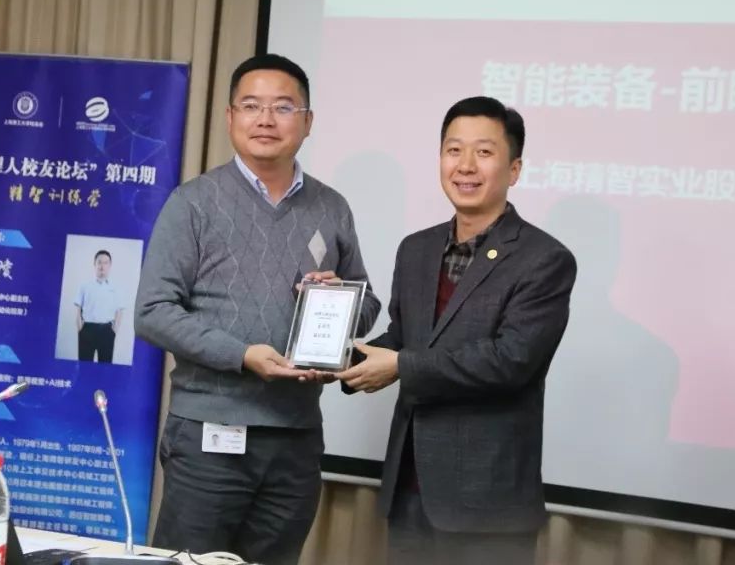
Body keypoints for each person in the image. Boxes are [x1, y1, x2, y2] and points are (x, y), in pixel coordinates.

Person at [135, 53, 381, 565]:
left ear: (307, 122)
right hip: (209, 436)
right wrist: (242, 354)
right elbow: (153, 310)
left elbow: (367, 302)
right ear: (230, 118)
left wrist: (339, 301)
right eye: (251, 106)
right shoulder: (193, 203)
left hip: (296, 438)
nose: (266, 119)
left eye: (283, 107)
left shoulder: (331, 206)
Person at [336, 96, 577, 565]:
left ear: (514, 169)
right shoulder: (416, 249)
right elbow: (404, 338)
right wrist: (334, 355)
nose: (465, 165)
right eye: (453, 150)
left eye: (484, 152)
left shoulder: (544, 259)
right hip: (408, 493)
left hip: (487, 509)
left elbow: (511, 362)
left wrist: (401, 366)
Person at [75, 249, 122, 363]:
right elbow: (78, 309)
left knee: (105, 367)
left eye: (105, 263)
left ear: (110, 265)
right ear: (94, 264)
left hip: (107, 331)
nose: (102, 266)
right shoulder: (85, 286)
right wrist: (80, 329)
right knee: (84, 366)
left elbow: (119, 311)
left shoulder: (116, 288)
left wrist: (114, 330)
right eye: (99, 262)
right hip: (87, 329)